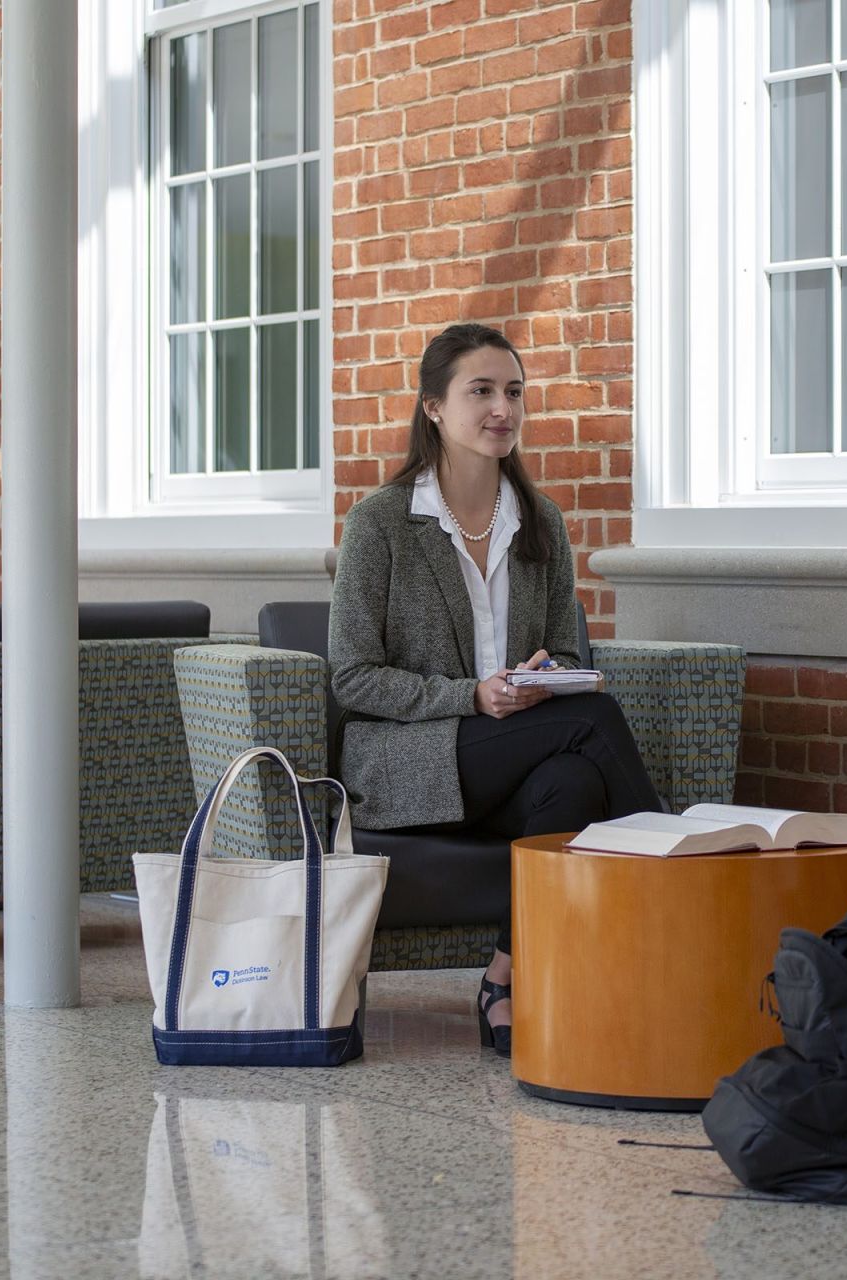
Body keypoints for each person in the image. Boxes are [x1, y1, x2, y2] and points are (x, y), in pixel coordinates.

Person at [328, 322, 664, 1058]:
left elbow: (568, 647)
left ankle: (505, 978)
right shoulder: (380, 525)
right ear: (433, 410)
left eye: (513, 392)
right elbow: (352, 676)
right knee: (597, 721)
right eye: (480, 391)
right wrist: (471, 696)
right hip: (408, 760)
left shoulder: (540, 523)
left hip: (513, 749)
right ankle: (671, 909)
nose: (501, 409)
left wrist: (549, 673)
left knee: (576, 778)